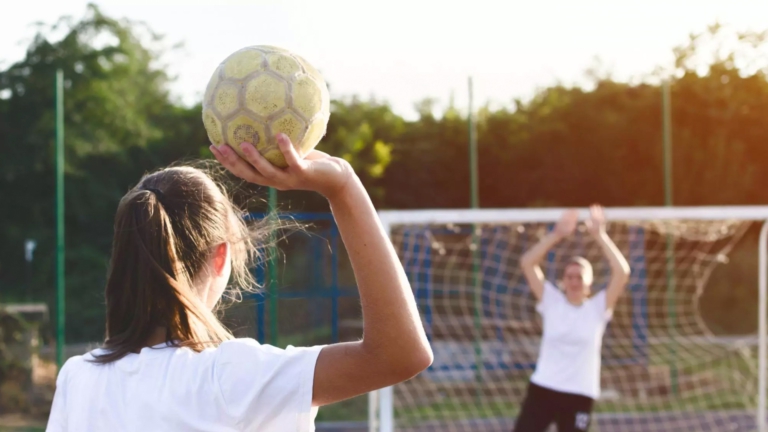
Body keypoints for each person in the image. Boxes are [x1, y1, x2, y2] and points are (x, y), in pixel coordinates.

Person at [46, 134, 433, 431]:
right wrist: (343, 186)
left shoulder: (78, 378)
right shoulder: (231, 377)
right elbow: (402, 354)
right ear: (220, 257)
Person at [513, 205, 630, 432]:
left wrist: (600, 235)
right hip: (544, 388)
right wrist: (557, 234)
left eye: (580, 277)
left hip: (580, 393)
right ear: (563, 280)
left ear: (589, 283)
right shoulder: (551, 301)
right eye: (570, 276)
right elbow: (527, 263)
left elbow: (622, 272)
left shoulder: (598, 308)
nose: (574, 281)